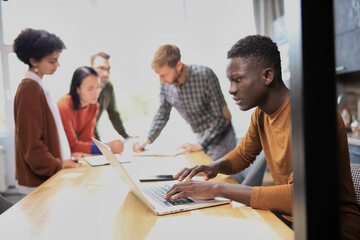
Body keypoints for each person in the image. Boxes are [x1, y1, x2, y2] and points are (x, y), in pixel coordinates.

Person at [164, 35, 360, 239]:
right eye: (230, 81)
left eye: (237, 79)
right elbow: (243, 155)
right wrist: (215, 167)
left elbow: (300, 196)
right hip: (292, 219)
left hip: (332, 228)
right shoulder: (261, 114)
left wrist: (215, 188)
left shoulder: (312, 115)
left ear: (267, 76)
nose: (231, 89)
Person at [133, 44, 236, 160]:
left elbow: (222, 117)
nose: (161, 80)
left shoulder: (205, 75)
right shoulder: (165, 83)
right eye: (158, 75)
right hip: (200, 137)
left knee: (219, 176)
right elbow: (162, 114)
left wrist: (201, 143)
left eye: (163, 75)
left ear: (178, 65)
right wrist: (147, 139)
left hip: (221, 139)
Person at [13, 28, 83, 195]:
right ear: (33, 60)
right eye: (52, 61)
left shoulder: (37, 85)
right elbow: (32, 145)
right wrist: (57, 164)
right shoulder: (29, 88)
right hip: (38, 182)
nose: (57, 65)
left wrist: (63, 159)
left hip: (46, 177)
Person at [58, 66, 124, 154]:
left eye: (98, 87)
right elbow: (72, 145)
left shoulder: (94, 106)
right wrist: (107, 147)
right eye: (90, 89)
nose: (97, 93)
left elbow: (86, 140)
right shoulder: (64, 105)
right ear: (77, 89)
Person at [91, 52, 131, 140]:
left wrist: (126, 136)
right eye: (101, 68)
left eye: (108, 69)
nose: (106, 73)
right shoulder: (83, 89)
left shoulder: (108, 87)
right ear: (91, 68)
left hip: (93, 139)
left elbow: (113, 114)